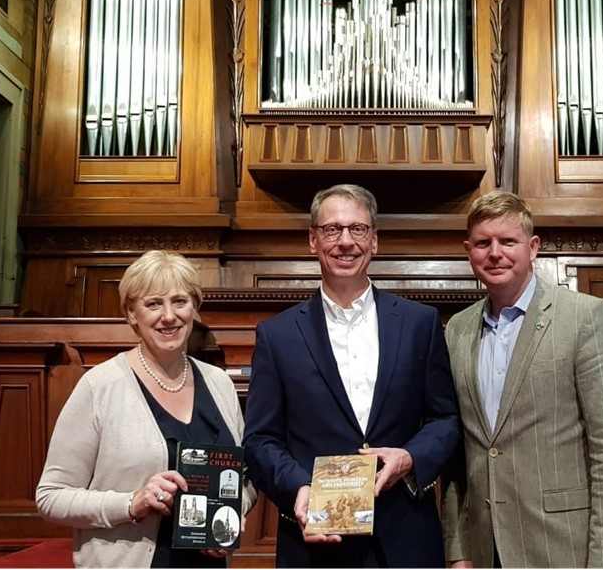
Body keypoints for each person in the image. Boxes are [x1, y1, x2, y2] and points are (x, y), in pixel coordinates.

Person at [244, 184, 461, 568]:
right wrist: (299, 488)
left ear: (374, 241)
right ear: (313, 240)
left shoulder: (419, 323)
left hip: (406, 538)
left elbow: (445, 419)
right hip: (315, 541)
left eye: (358, 229)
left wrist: (410, 457)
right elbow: (261, 439)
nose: (346, 241)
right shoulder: (277, 335)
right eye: (332, 230)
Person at [441, 190, 603, 568]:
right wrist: (458, 550)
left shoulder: (584, 318)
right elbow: (458, 456)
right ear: (469, 251)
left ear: (532, 247)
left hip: (562, 547)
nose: (495, 252)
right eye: (483, 243)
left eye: (508, 241)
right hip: (485, 550)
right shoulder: (458, 330)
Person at [36, 250, 256, 568]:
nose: (169, 316)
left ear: (194, 308)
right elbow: (51, 497)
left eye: (179, 301)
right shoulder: (100, 386)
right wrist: (131, 503)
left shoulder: (219, 382)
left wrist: (235, 509)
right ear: (131, 313)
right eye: (154, 304)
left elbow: (245, 478)